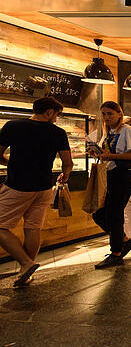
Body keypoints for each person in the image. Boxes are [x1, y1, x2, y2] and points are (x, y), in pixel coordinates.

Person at [0, 97, 72, 287]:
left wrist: (10, 163)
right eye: (57, 114)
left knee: (0, 226)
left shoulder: (12, 126)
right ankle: (26, 274)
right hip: (44, 187)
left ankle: (26, 263)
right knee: (32, 228)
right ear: (49, 112)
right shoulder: (58, 133)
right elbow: (68, 163)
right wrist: (65, 175)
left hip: (18, 185)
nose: (56, 118)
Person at [89, 101, 131, 269]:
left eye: (110, 113)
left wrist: (111, 156)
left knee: (114, 214)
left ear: (119, 113)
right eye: (104, 114)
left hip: (124, 175)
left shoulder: (127, 130)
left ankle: (116, 253)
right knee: (99, 214)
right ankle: (125, 241)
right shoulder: (108, 132)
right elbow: (108, 152)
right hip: (110, 174)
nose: (106, 117)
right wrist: (96, 151)